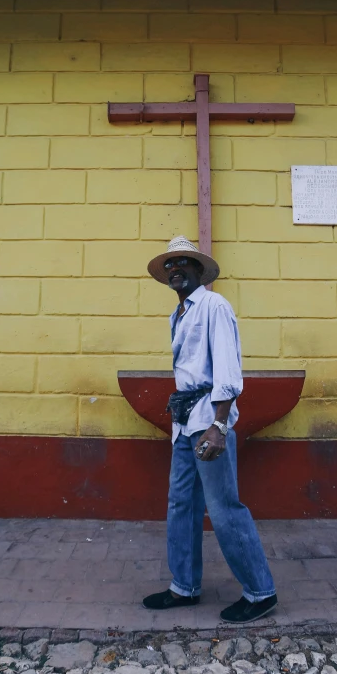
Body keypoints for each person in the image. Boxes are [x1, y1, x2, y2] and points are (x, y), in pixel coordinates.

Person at [142, 236, 277, 624]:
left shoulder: (214, 306)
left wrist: (218, 426)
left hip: (208, 423)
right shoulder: (179, 314)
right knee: (180, 505)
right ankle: (184, 587)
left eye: (184, 262)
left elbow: (228, 372)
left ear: (199, 270)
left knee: (223, 507)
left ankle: (260, 592)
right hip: (185, 423)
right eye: (170, 264)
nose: (176, 269)